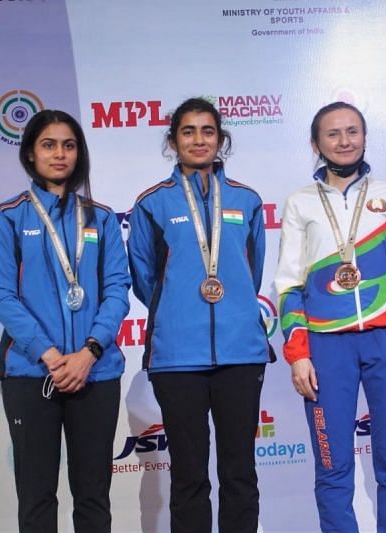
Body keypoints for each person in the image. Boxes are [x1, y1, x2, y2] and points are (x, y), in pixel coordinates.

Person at [274, 101, 386, 532]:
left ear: (364, 136)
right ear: (315, 143)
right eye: (333, 134)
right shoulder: (299, 204)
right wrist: (298, 354)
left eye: (353, 131)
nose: (344, 141)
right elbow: (288, 284)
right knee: (332, 469)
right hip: (326, 347)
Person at [127, 97, 273, 533]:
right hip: (177, 358)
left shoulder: (247, 200)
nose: (198, 140)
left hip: (241, 355)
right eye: (187, 131)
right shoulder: (152, 203)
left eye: (207, 131)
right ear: (173, 141)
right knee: (189, 478)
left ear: (221, 139)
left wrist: (230, 310)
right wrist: (180, 311)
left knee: (240, 475)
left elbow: (252, 269)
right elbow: (145, 278)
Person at [0, 109, 130, 532]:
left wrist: (89, 352)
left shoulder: (100, 217)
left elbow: (118, 289)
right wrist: (49, 354)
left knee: (93, 497)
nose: (59, 154)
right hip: (31, 372)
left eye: (69, 145)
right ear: (31, 153)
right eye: (49, 144)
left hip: (95, 372)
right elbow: (1, 295)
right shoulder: (9, 215)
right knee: (36, 497)